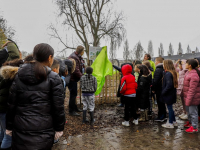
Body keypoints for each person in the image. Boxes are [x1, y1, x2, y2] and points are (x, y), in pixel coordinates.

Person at [5, 43, 65, 150]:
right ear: (50, 57)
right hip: (44, 131)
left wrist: (9, 126)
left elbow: (11, 103)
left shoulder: (18, 75)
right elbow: (58, 107)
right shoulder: (54, 78)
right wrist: (59, 129)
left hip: (20, 129)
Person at [0, 59, 24, 150]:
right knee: (8, 136)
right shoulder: (14, 79)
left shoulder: (4, 77)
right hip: (5, 110)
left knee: (2, 132)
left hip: (1, 109)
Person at [182, 59, 200, 133]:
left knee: (193, 113)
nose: (185, 64)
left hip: (193, 98)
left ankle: (194, 127)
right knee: (189, 112)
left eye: (186, 63)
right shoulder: (188, 72)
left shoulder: (194, 75)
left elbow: (192, 89)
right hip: (188, 97)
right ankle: (190, 123)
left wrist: (188, 100)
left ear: (190, 65)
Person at [161, 60, 178, 129]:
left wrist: (163, 92)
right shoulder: (172, 72)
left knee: (170, 108)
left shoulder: (168, 74)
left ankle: (170, 123)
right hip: (172, 93)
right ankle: (174, 121)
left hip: (169, 94)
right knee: (170, 108)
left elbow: (169, 85)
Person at [68, 46, 84, 116]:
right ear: (81, 51)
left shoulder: (78, 56)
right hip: (72, 79)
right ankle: (71, 111)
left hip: (74, 78)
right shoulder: (74, 57)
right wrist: (82, 77)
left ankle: (75, 108)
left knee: (74, 94)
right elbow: (75, 70)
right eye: (83, 51)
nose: (84, 52)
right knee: (73, 95)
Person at [152, 57, 167, 122]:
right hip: (162, 88)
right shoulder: (163, 68)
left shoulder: (158, 69)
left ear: (158, 62)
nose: (155, 63)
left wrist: (153, 88)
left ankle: (161, 117)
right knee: (162, 103)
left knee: (160, 103)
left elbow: (156, 80)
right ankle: (164, 115)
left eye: (155, 61)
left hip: (159, 89)